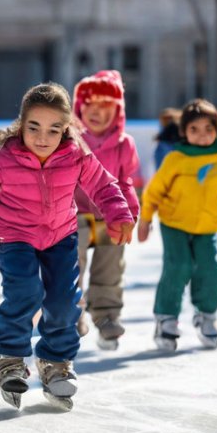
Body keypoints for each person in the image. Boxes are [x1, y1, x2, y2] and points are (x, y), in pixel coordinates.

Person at [0, 83, 133, 410]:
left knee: (64, 300)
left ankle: (56, 360)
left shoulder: (76, 154)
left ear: (66, 129)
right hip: (15, 236)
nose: (42, 138)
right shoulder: (6, 158)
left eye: (53, 129)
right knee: (25, 293)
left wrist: (119, 213)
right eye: (33, 127)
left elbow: (103, 184)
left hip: (60, 236)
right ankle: (10, 356)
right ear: (22, 125)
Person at [138, 99, 217, 351]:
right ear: (184, 131)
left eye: (208, 129)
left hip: (207, 227)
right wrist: (146, 218)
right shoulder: (176, 158)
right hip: (174, 223)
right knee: (179, 266)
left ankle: (206, 315)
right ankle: (166, 319)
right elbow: (154, 191)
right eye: (194, 129)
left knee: (212, 270)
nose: (202, 135)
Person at [70, 70, 142, 349]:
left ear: (118, 110)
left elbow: (126, 182)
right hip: (72, 214)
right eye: (91, 105)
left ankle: (106, 314)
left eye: (105, 106)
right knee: (70, 265)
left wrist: (129, 214)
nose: (97, 112)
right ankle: (71, 311)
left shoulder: (125, 144)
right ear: (79, 107)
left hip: (108, 216)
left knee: (110, 265)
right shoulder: (70, 139)